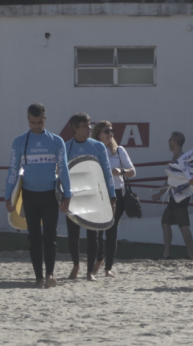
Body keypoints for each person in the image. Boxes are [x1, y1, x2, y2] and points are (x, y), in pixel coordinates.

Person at [4, 103, 72, 289]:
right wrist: (7, 196)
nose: (36, 126)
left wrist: (68, 195)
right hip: (30, 196)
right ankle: (38, 278)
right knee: (34, 238)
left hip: (50, 195)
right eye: (33, 122)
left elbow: (64, 170)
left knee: (50, 237)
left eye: (39, 122)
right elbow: (13, 170)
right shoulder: (19, 142)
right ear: (28, 120)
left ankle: (50, 274)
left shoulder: (56, 141)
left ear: (45, 119)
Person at [63, 113, 116, 281]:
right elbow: (61, 173)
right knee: (73, 235)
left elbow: (107, 173)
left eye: (89, 125)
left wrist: (112, 197)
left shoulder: (98, 147)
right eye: (85, 126)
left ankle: (89, 272)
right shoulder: (66, 147)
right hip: (73, 196)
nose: (90, 128)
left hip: (94, 195)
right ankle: (76, 266)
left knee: (93, 234)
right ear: (75, 129)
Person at [93, 120, 136, 277]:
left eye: (111, 131)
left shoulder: (118, 151)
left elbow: (133, 171)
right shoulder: (93, 149)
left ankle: (107, 268)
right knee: (97, 231)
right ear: (98, 134)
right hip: (98, 192)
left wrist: (121, 171)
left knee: (112, 231)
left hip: (117, 193)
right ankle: (99, 260)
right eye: (106, 131)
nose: (110, 133)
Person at [152, 132, 193, 260]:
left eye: (170, 139)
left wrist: (160, 193)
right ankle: (166, 254)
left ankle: (191, 255)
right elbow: (170, 179)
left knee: (183, 226)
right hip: (174, 196)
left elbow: (184, 178)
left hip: (180, 196)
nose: (168, 141)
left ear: (175, 142)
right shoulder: (177, 158)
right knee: (165, 223)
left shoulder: (181, 158)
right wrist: (160, 193)